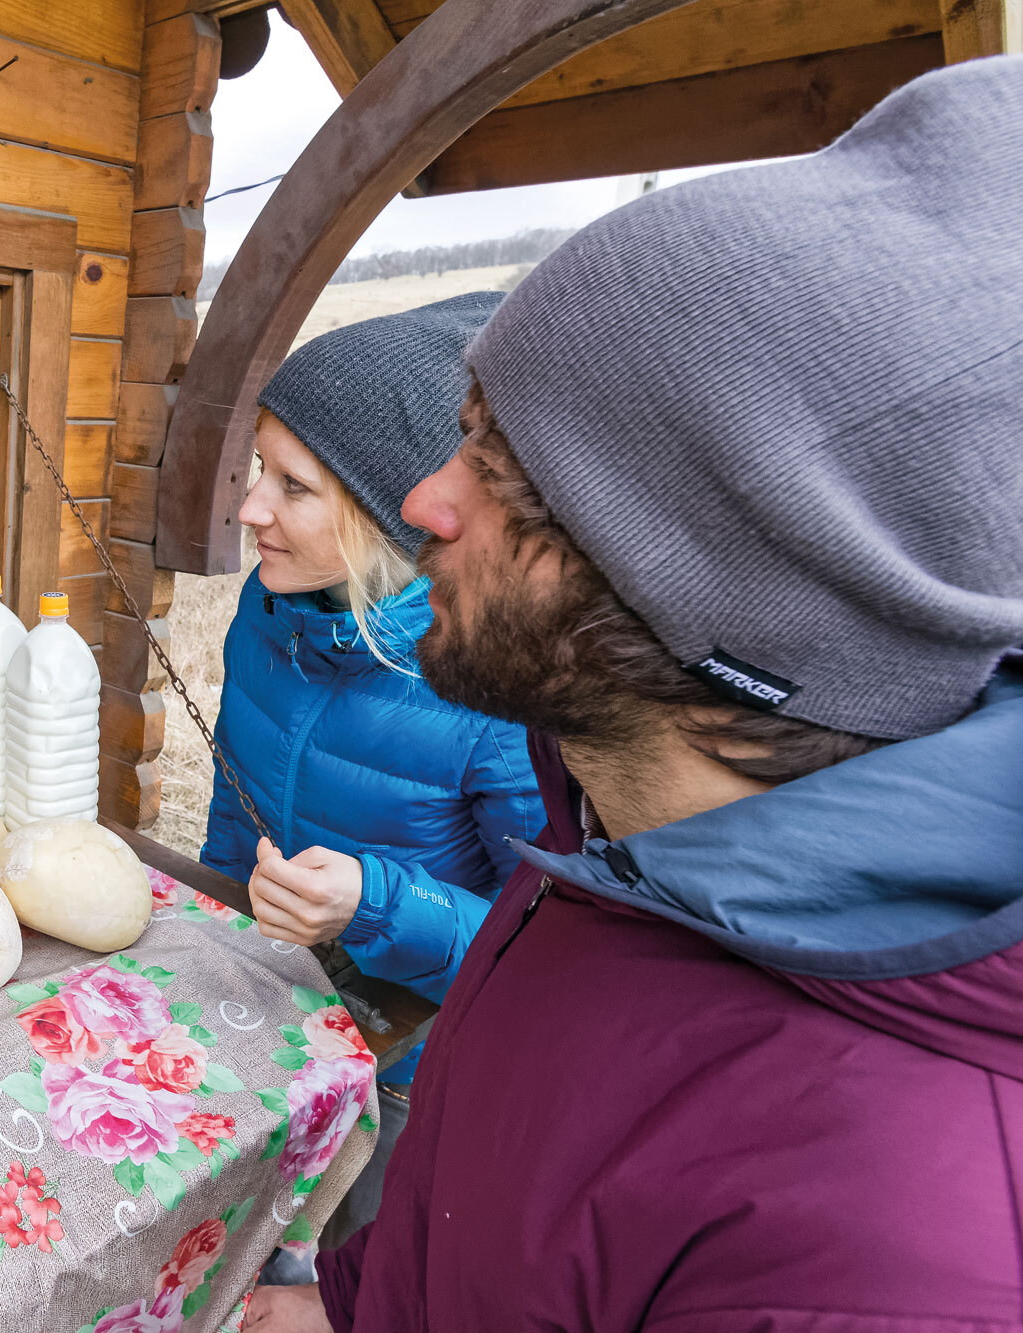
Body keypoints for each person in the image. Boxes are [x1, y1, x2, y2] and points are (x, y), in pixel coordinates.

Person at [246, 56, 1023, 1333]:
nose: (427, 502)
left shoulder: (891, 1256)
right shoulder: (609, 837)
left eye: (498, 465)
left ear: (703, 568)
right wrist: (347, 1306)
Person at [201, 294, 544, 1235]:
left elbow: (546, 956)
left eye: (294, 487)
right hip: (271, 1037)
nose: (251, 507)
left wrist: (377, 903)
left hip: (410, 1082)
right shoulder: (269, 616)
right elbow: (239, 819)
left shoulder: (492, 689)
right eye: (260, 471)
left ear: (391, 513)